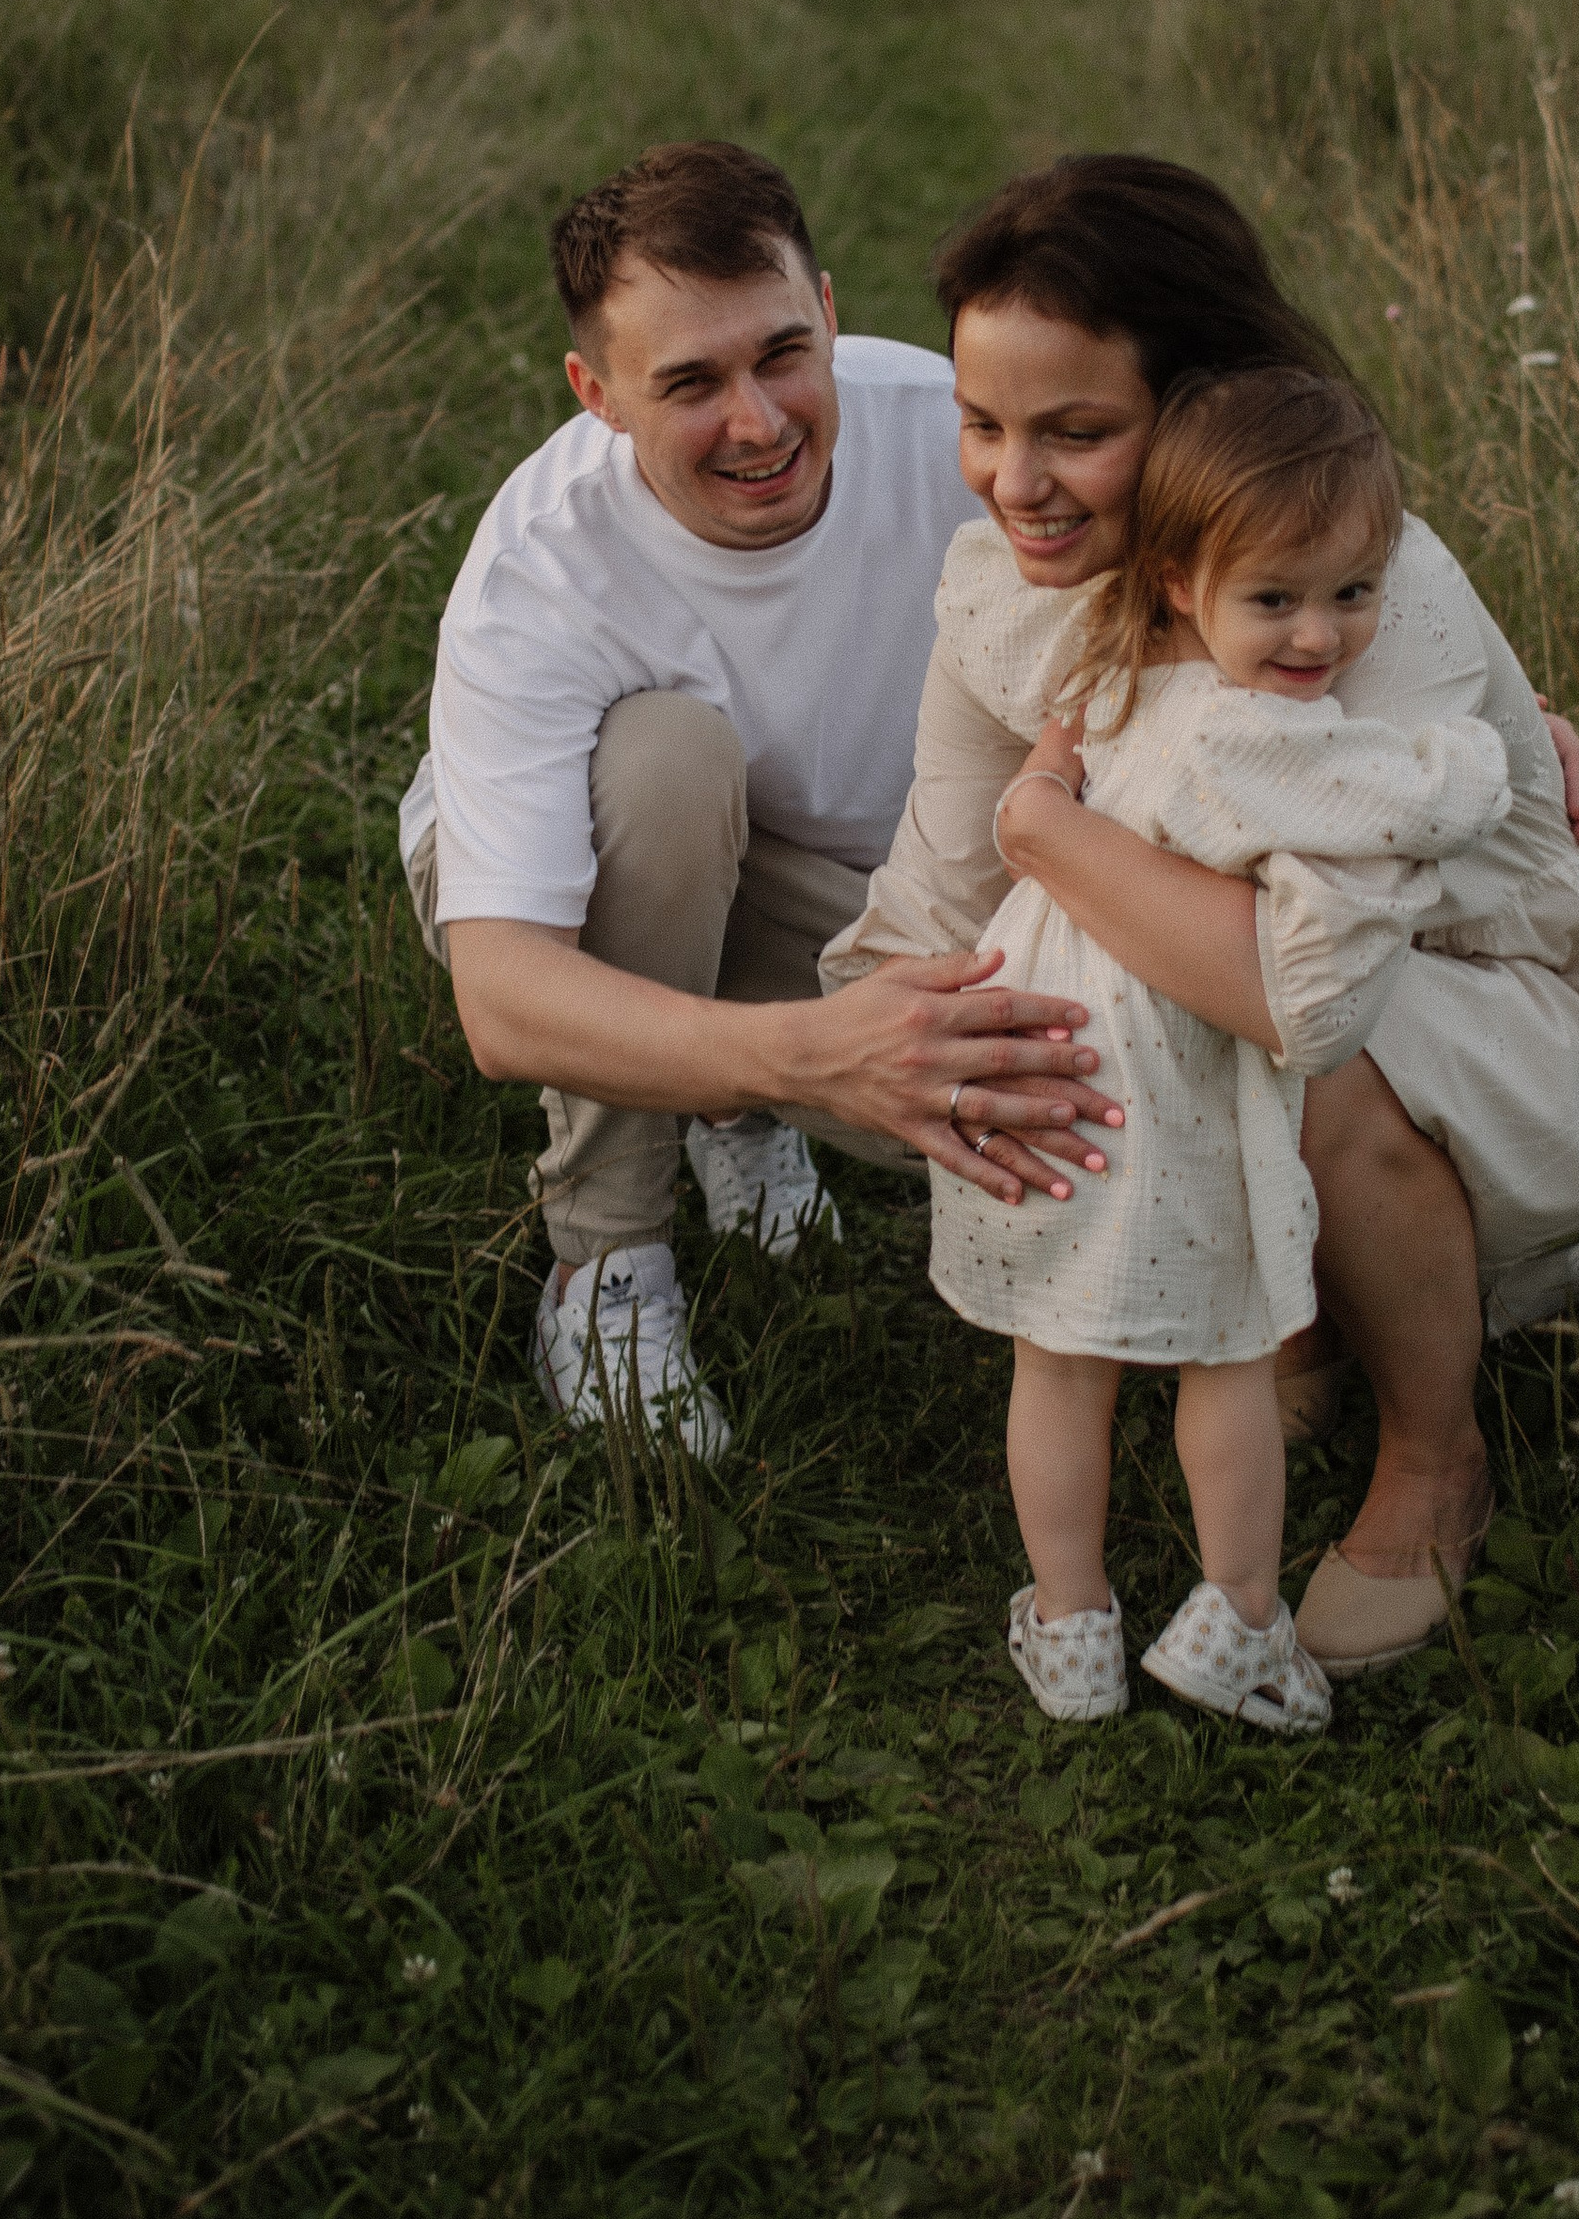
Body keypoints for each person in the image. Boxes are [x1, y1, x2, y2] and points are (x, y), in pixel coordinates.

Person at [827, 153, 1579, 1673]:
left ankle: (1435, 1458)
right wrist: (889, 1040)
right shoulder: (1005, 590)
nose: (1016, 482)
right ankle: (1290, 1319)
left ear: (1195, 415)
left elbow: (1305, 993)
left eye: (1078, 433)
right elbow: (949, 885)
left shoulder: (1357, 590)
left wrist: (1047, 827)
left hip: (1491, 1020)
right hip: (1256, 1002)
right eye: (984, 427)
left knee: (1297, 1051)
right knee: (1012, 1010)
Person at [400, 138, 1119, 1461]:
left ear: (833, 313)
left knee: (1078, 1120)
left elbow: (1251, 538)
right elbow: (502, 1001)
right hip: (616, 848)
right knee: (667, 760)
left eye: (782, 352)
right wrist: (820, 1058)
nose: (758, 420)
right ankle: (607, 1260)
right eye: (688, 382)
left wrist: (1487, 707)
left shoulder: (963, 443)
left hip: (865, 884)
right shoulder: (540, 567)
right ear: (597, 393)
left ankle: (730, 1108)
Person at [932, 365, 1513, 1735]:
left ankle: (1071, 1620)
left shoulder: (1109, 673)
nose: (1319, 635)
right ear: (1186, 582)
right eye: (1278, 599)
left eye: (1353, 594)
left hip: (1043, 1039)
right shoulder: (1267, 735)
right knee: (1230, 1352)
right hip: (1167, 1063)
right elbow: (1427, 794)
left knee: (1054, 1359)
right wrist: (1491, 751)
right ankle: (1239, 1620)